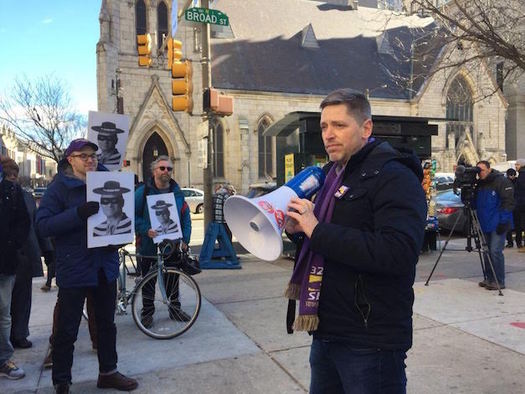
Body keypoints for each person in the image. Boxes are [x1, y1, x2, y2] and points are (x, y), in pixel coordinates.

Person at [284, 88, 427, 394]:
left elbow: (398, 252)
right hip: (327, 330)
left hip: (370, 339)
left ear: (365, 128)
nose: (329, 135)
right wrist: (299, 230)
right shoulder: (332, 175)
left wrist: (316, 229)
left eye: (339, 125)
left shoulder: (394, 176)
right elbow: (326, 242)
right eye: (324, 126)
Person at [36, 138, 138, 393]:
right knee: (67, 329)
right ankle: (62, 380)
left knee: (106, 325)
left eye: (93, 155)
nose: (91, 159)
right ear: (71, 160)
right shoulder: (59, 187)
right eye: (84, 156)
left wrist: (118, 237)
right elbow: (43, 225)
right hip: (75, 266)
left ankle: (108, 372)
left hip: (104, 264)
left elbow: (120, 216)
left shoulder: (106, 180)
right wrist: (78, 214)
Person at [135, 156, 192, 327]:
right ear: (154, 171)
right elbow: (132, 215)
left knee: (172, 279)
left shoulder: (177, 192)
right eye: (162, 168)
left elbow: (185, 217)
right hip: (148, 245)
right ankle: (147, 313)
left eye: (169, 169)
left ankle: (175, 309)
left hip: (171, 244)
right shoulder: (143, 192)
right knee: (148, 281)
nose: (166, 171)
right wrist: (146, 229)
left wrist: (185, 239)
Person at [8, 164, 44, 350]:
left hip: (25, 254)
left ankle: (20, 334)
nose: (12, 177)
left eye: (15, 173)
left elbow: (36, 225)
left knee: (23, 298)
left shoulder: (27, 197)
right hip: (5, 255)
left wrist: (46, 250)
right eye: (8, 174)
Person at [0, 156, 30, 380]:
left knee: (3, 312)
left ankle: (3, 359)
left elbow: (23, 221)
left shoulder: (11, 190)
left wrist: (11, 245)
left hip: (5, 261)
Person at [474, 160, 515, 290]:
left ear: (489, 169)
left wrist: (503, 221)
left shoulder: (501, 181)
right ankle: (489, 278)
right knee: (486, 251)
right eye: (478, 171)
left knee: (495, 251)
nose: (480, 173)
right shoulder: (480, 184)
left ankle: (499, 280)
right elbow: (475, 204)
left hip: (497, 223)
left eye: (483, 170)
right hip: (484, 223)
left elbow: (508, 202)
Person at [505, 168, 518, 248]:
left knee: (515, 225)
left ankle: (511, 242)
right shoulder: (506, 182)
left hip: (512, 205)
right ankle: (510, 242)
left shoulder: (506, 182)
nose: (512, 176)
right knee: (509, 226)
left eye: (513, 175)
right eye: (511, 175)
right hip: (510, 205)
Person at [515, 159, 525, 252]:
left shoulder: (522, 175)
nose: (515, 166)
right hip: (521, 203)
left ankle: (520, 244)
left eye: (517, 164)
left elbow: (520, 191)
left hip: (521, 204)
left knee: (520, 224)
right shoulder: (520, 175)